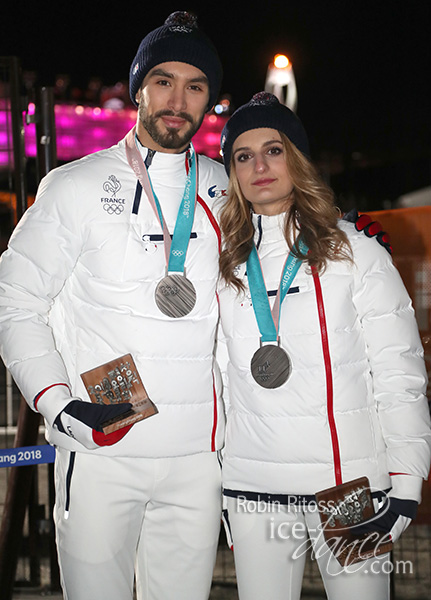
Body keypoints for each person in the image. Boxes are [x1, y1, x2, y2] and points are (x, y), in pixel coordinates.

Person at [0, 11, 227, 600]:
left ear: (209, 100)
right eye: (164, 81)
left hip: (198, 459)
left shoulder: (228, 190)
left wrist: (349, 235)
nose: (178, 99)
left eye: (195, 85)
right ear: (138, 89)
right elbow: (15, 299)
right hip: (104, 449)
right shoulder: (74, 186)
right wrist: (56, 403)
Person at [217, 92, 431, 600]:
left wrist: (406, 481)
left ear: (297, 157)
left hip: (347, 491)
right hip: (253, 492)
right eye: (243, 156)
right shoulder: (222, 261)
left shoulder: (353, 247)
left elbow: (398, 369)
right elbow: (219, 378)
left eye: (273, 149)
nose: (259, 166)